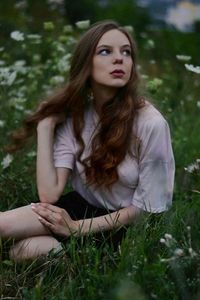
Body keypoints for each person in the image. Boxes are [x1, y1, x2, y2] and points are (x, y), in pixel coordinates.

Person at [0, 21, 175, 261]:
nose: (119, 59)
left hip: (121, 226)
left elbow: (146, 209)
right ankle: (69, 254)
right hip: (78, 207)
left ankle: (84, 261)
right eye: (106, 51)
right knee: (4, 229)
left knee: (25, 251)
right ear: (86, 64)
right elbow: (49, 194)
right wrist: (45, 126)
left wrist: (76, 228)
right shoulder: (76, 116)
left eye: (126, 52)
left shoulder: (151, 123)